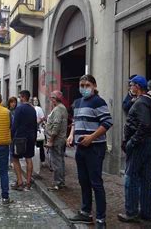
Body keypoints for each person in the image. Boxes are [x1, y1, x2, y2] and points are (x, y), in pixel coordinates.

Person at [67, 75, 113, 229]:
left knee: (96, 183)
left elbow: (107, 122)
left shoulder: (98, 101)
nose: (84, 88)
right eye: (81, 85)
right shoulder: (78, 102)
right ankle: (85, 212)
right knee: (83, 181)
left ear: (94, 85)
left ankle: (101, 219)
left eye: (87, 85)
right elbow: (75, 121)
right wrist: (71, 135)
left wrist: (92, 137)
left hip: (95, 147)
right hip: (80, 148)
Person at [118, 75, 151, 223]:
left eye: (131, 85)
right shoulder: (149, 102)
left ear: (137, 86)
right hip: (147, 143)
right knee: (145, 178)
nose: (130, 87)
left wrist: (132, 141)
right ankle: (147, 213)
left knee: (131, 177)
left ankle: (131, 212)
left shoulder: (142, 102)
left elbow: (145, 124)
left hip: (140, 145)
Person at [11, 90, 37, 191]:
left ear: (23, 97)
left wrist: (11, 136)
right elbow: (35, 124)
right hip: (30, 136)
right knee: (28, 158)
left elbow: (15, 124)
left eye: (19, 97)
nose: (19, 99)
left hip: (20, 137)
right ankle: (28, 182)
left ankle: (20, 181)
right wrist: (34, 137)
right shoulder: (32, 109)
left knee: (15, 158)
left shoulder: (19, 108)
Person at [45, 91, 68, 191]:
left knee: (57, 162)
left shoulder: (58, 109)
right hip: (60, 139)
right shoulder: (61, 108)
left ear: (55, 99)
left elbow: (56, 125)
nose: (51, 100)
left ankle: (58, 183)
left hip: (57, 140)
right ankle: (61, 182)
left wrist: (51, 140)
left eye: (51, 98)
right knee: (60, 161)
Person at [32, 97, 46, 166]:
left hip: (38, 130)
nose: (35, 101)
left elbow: (43, 118)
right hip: (31, 130)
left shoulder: (39, 108)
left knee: (40, 146)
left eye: (36, 100)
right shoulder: (31, 108)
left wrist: (37, 122)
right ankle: (34, 161)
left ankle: (42, 160)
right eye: (34, 100)